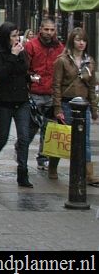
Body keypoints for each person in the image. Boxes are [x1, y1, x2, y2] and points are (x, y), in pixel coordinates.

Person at [0, 22, 33, 187]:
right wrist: (13, 56)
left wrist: (29, 76)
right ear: (5, 37)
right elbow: (2, 73)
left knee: (24, 138)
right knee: (2, 138)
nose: (17, 39)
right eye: (13, 36)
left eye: (18, 35)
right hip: (4, 101)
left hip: (21, 100)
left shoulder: (21, 51)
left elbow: (24, 68)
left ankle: (22, 173)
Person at [52, 27, 99, 186]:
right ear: (72, 41)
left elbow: (91, 87)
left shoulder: (89, 61)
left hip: (83, 105)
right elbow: (56, 85)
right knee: (62, 137)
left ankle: (88, 173)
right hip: (67, 103)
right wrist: (57, 107)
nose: (81, 43)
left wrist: (94, 108)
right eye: (78, 39)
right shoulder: (62, 60)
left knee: (85, 139)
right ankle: (53, 165)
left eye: (84, 40)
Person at [24, 18, 64, 176]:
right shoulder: (31, 45)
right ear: (40, 29)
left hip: (51, 92)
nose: (49, 32)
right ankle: (22, 150)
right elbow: (25, 67)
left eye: (52, 30)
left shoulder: (59, 48)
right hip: (35, 91)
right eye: (46, 29)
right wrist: (30, 79)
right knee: (32, 126)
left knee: (49, 128)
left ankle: (43, 157)